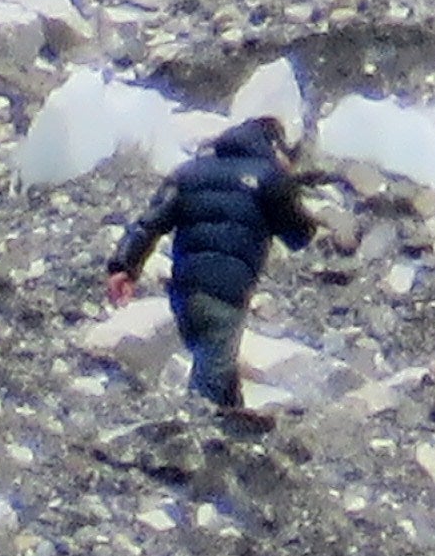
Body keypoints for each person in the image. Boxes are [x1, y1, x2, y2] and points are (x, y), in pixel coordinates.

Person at [104, 114, 315, 417]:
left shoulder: (189, 173)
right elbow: (299, 235)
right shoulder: (267, 177)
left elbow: (148, 224)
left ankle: (232, 431)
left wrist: (124, 266)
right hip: (225, 293)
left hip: (185, 294)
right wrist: (288, 188)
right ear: (272, 145)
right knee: (211, 378)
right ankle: (190, 439)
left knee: (217, 364)